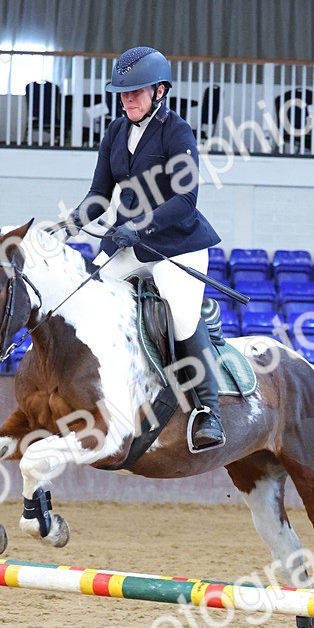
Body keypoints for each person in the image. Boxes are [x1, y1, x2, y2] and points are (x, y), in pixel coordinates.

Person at [67, 46, 225, 451]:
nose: (127, 99)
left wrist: (141, 225)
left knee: (179, 310)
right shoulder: (116, 132)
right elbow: (99, 197)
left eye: (136, 91)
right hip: (130, 243)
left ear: (159, 92)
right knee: (89, 288)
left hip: (178, 247)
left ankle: (208, 411)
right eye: (122, 92)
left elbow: (185, 200)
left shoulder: (177, 132)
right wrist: (66, 226)